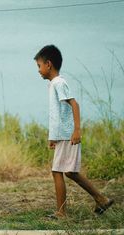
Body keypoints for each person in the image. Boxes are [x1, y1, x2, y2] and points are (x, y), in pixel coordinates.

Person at [34, 45, 114, 218]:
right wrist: (52, 137)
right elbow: (57, 113)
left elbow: (74, 104)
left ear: (48, 64)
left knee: (59, 171)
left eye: (39, 66)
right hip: (61, 135)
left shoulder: (59, 83)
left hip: (68, 134)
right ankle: (101, 199)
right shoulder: (53, 84)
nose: (38, 71)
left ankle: (62, 213)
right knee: (70, 172)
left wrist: (77, 130)